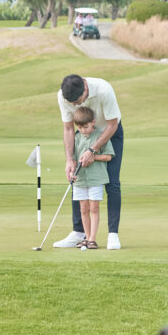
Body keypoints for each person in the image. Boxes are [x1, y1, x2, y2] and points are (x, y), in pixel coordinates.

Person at [53, 74, 124, 250]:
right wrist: (69, 159)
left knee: (112, 183)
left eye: (78, 102)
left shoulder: (103, 90)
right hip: (82, 135)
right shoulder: (63, 96)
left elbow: (112, 124)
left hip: (109, 133)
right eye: (73, 104)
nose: (76, 106)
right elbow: (69, 128)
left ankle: (112, 234)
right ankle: (78, 233)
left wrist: (93, 150)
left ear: (85, 88)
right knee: (76, 176)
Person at [70, 106, 114, 249]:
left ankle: (92, 239)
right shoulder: (76, 138)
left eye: (86, 127)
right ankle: (86, 237)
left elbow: (108, 156)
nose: (83, 130)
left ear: (93, 122)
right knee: (83, 209)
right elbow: (73, 159)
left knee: (94, 207)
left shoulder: (101, 137)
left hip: (96, 178)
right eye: (80, 127)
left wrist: (93, 157)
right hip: (81, 179)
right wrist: (72, 173)